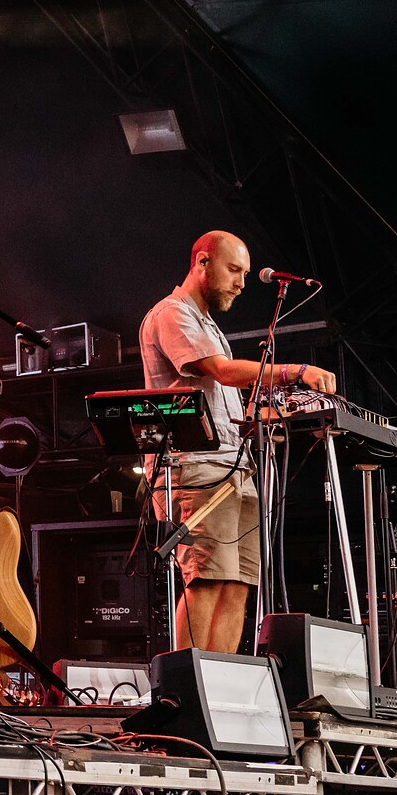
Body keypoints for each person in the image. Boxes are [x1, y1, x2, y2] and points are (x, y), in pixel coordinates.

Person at [141, 230, 336, 653]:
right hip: (196, 468)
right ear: (202, 262)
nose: (241, 283)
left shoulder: (207, 323)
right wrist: (295, 372)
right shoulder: (172, 313)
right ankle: (186, 684)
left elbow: (220, 402)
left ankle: (219, 681)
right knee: (207, 579)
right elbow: (223, 372)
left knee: (238, 583)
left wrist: (275, 416)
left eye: (245, 274)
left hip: (233, 467)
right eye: (234, 270)